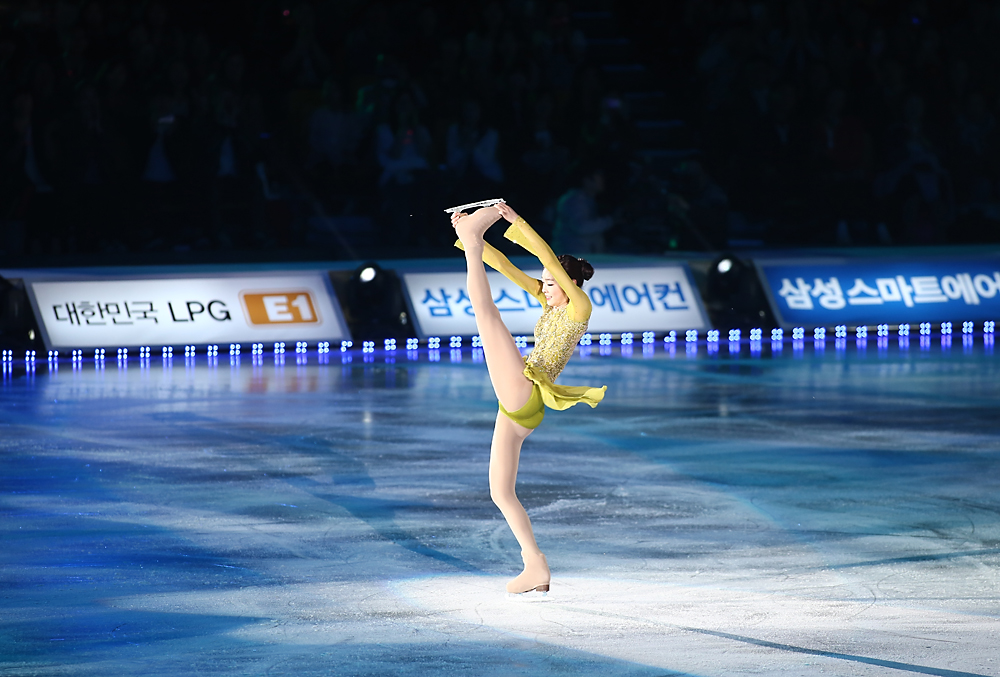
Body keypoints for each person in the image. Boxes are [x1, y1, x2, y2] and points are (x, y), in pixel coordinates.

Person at [450, 201, 606, 596]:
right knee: (499, 491)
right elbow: (505, 267)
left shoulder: (579, 310)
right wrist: (475, 241)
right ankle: (534, 564)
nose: (544, 287)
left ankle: (471, 240)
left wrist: (514, 221)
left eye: (550, 283)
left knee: (487, 316)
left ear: (566, 283)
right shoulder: (549, 302)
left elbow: (546, 258)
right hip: (521, 408)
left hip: (527, 390)